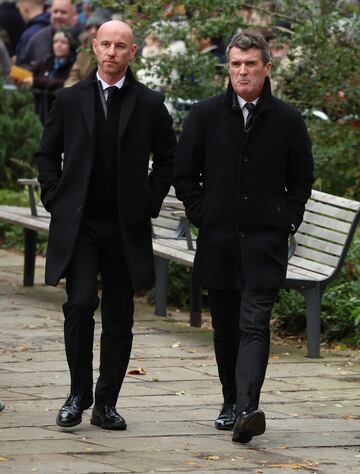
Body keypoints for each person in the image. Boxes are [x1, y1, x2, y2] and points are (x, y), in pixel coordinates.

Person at [173, 31, 314, 444]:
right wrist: (203, 214)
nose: (242, 71)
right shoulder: (203, 115)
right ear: (227, 68)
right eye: (236, 64)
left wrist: (284, 218)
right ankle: (231, 400)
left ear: (266, 68)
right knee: (226, 328)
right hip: (218, 240)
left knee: (254, 323)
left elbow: (301, 179)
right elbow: (184, 175)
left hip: (264, 242)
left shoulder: (287, 119)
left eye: (251, 64)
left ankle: (247, 409)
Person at [36, 20, 176, 430]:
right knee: (79, 304)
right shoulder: (69, 99)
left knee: (119, 318)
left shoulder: (150, 103)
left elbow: (168, 156)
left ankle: (106, 403)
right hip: (80, 225)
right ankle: (77, 393)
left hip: (124, 226)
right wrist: (54, 197)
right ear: (95, 47)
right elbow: (47, 155)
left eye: (121, 46)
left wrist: (149, 200)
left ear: (133, 53)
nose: (112, 52)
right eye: (106, 45)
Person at [21, 29, 75, 123]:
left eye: (63, 42)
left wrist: (35, 82)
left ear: (70, 46)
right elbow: (29, 73)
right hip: (39, 111)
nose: (58, 45)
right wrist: (20, 77)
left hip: (60, 114)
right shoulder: (46, 62)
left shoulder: (73, 65)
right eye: (55, 42)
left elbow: (62, 83)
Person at [19, 0, 77, 69]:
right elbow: (23, 64)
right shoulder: (38, 38)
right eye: (55, 11)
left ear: (73, 15)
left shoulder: (80, 39)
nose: (58, 16)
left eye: (63, 12)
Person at [64, 7, 111, 87]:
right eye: (90, 27)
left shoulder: (112, 52)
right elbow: (74, 75)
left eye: (97, 27)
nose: (93, 31)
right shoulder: (84, 49)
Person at [15, 0, 50, 66]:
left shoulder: (29, 34)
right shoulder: (51, 27)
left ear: (25, 6)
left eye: (19, 5)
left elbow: (23, 67)